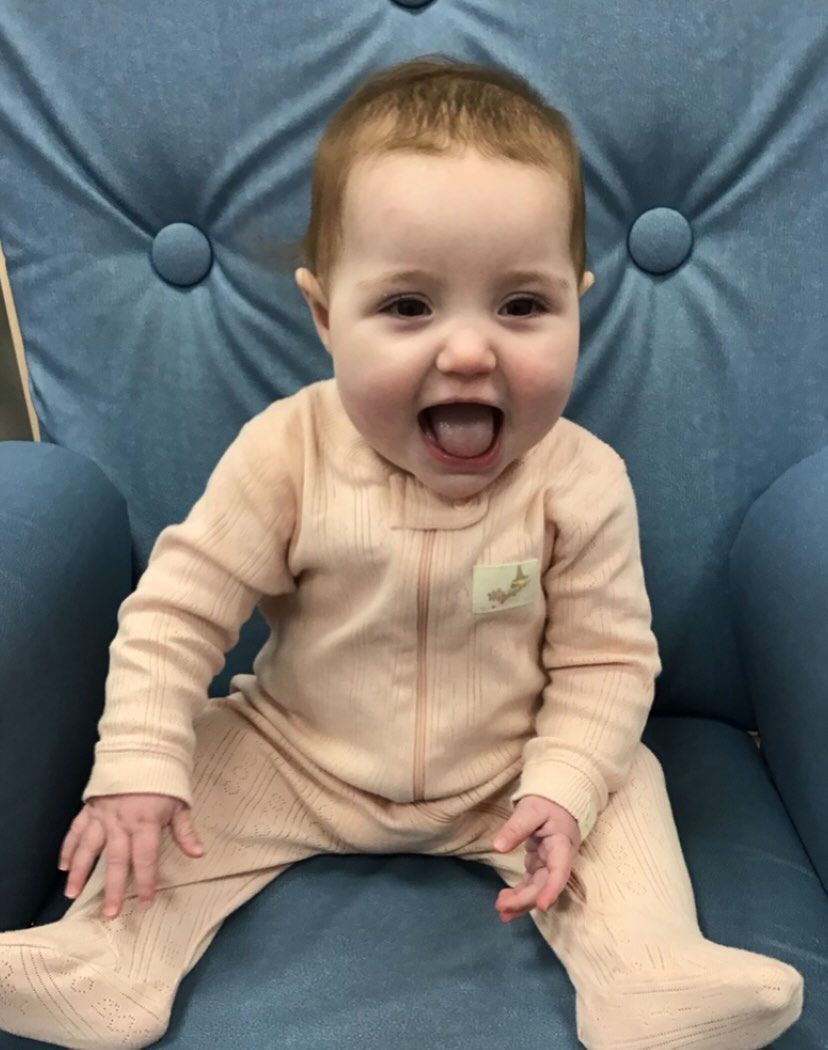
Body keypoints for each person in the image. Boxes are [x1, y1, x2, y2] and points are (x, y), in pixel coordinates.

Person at [0, 55, 804, 1050]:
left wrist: (561, 783)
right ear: (324, 315)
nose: (468, 352)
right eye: (409, 307)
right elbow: (177, 612)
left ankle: (649, 977)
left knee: (624, 785)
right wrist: (138, 763)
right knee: (185, 775)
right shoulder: (286, 453)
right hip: (295, 756)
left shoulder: (581, 479)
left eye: (522, 305)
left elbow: (604, 660)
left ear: (579, 304)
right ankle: (105, 964)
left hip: (507, 773)